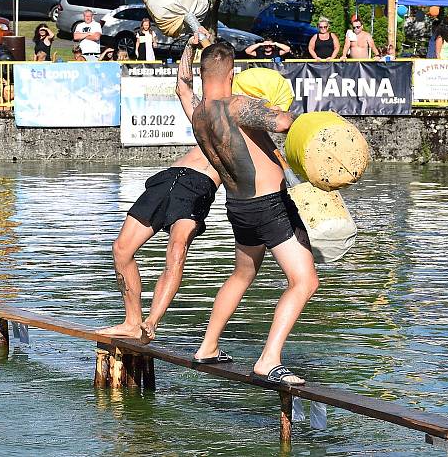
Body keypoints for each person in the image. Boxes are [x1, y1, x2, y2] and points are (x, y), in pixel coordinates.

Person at [179, 32, 318, 385]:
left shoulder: (197, 113)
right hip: (270, 206)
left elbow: (182, 86)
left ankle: (208, 346)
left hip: (238, 207)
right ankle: (269, 359)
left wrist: (190, 46)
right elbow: (284, 123)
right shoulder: (236, 105)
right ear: (232, 72)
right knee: (304, 281)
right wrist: (277, 106)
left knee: (242, 275)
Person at [97, 40, 221, 342]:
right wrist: (191, 47)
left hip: (198, 187)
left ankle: (151, 322)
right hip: (167, 179)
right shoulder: (207, 120)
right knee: (121, 249)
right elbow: (182, 86)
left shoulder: (247, 136)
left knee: (176, 250)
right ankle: (132, 321)